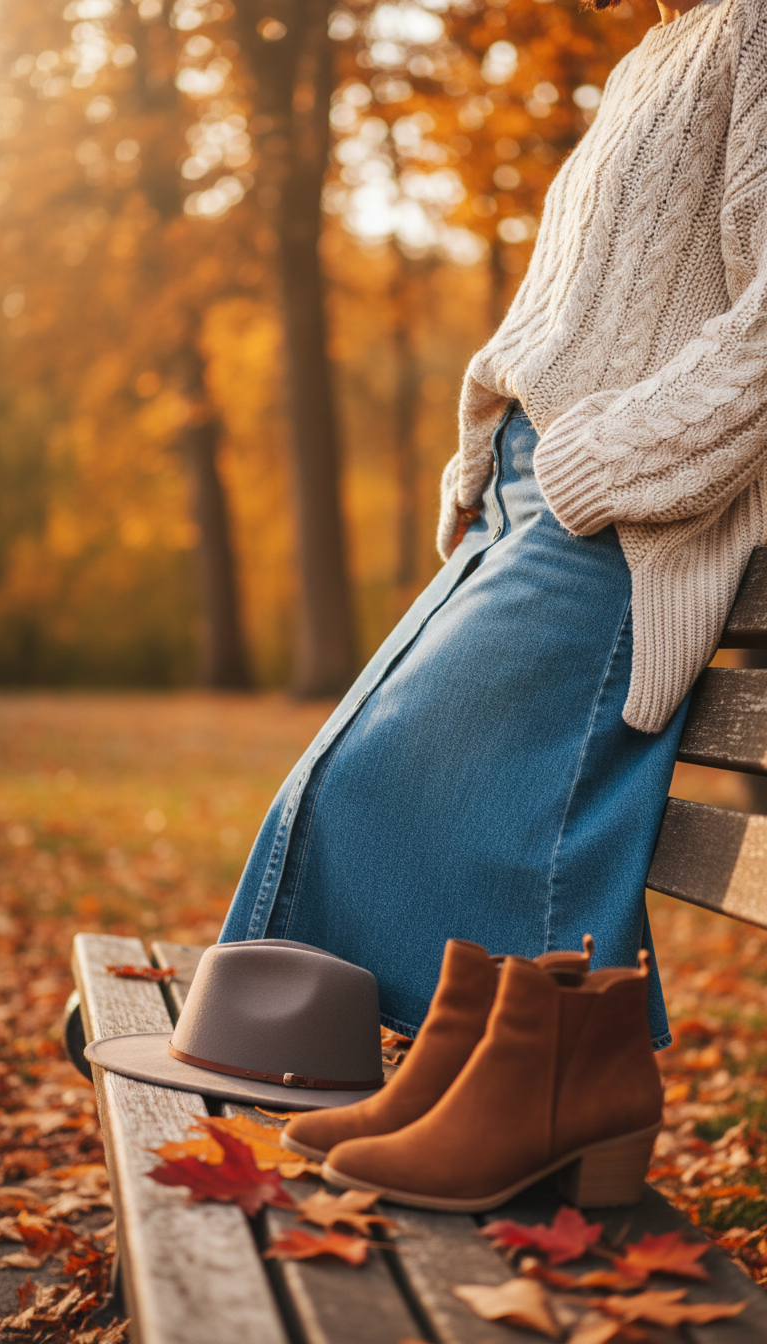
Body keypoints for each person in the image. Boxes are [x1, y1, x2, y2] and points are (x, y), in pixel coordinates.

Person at [220, 0, 767, 1055]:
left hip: (619, 506)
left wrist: (613, 460)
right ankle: (540, 1093)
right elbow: (575, 311)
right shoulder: (652, 54)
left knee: (367, 794)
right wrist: (481, 456)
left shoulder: (750, 26)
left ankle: (305, 1059)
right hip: (531, 493)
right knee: (357, 788)